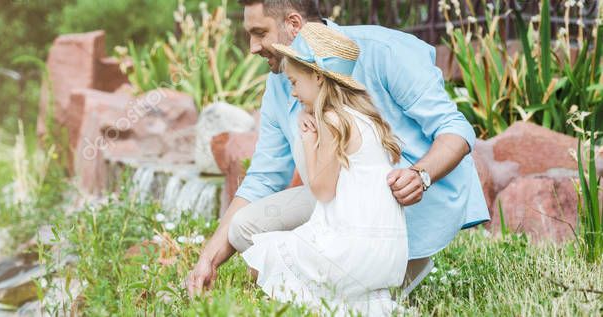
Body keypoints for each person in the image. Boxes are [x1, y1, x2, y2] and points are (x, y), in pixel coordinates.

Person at [185, 0, 489, 300]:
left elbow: (456, 130)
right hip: (337, 197)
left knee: (341, 290)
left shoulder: (383, 50)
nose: (252, 47)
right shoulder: (280, 85)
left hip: (401, 200)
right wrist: (208, 259)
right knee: (245, 228)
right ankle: (337, 272)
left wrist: (420, 175)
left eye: (259, 32)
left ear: (293, 25)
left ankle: (406, 263)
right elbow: (263, 178)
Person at [241, 22, 407, 315]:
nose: (292, 93)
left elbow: (323, 189)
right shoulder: (364, 118)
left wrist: (308, 139)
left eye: (294, 82)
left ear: (317, 76)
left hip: (349, 251)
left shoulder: (332, 121)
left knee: (261, 261)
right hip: (386, 255)